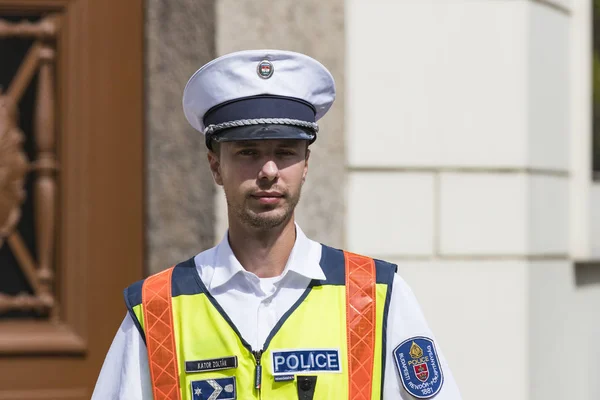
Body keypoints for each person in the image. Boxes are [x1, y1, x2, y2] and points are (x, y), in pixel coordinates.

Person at [92, 49, 462, 400]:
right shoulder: (156, 309)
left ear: (306, 164)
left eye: (285, 152)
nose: (268, 171)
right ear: (215, 166)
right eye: (248, 152)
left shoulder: (377, 296)